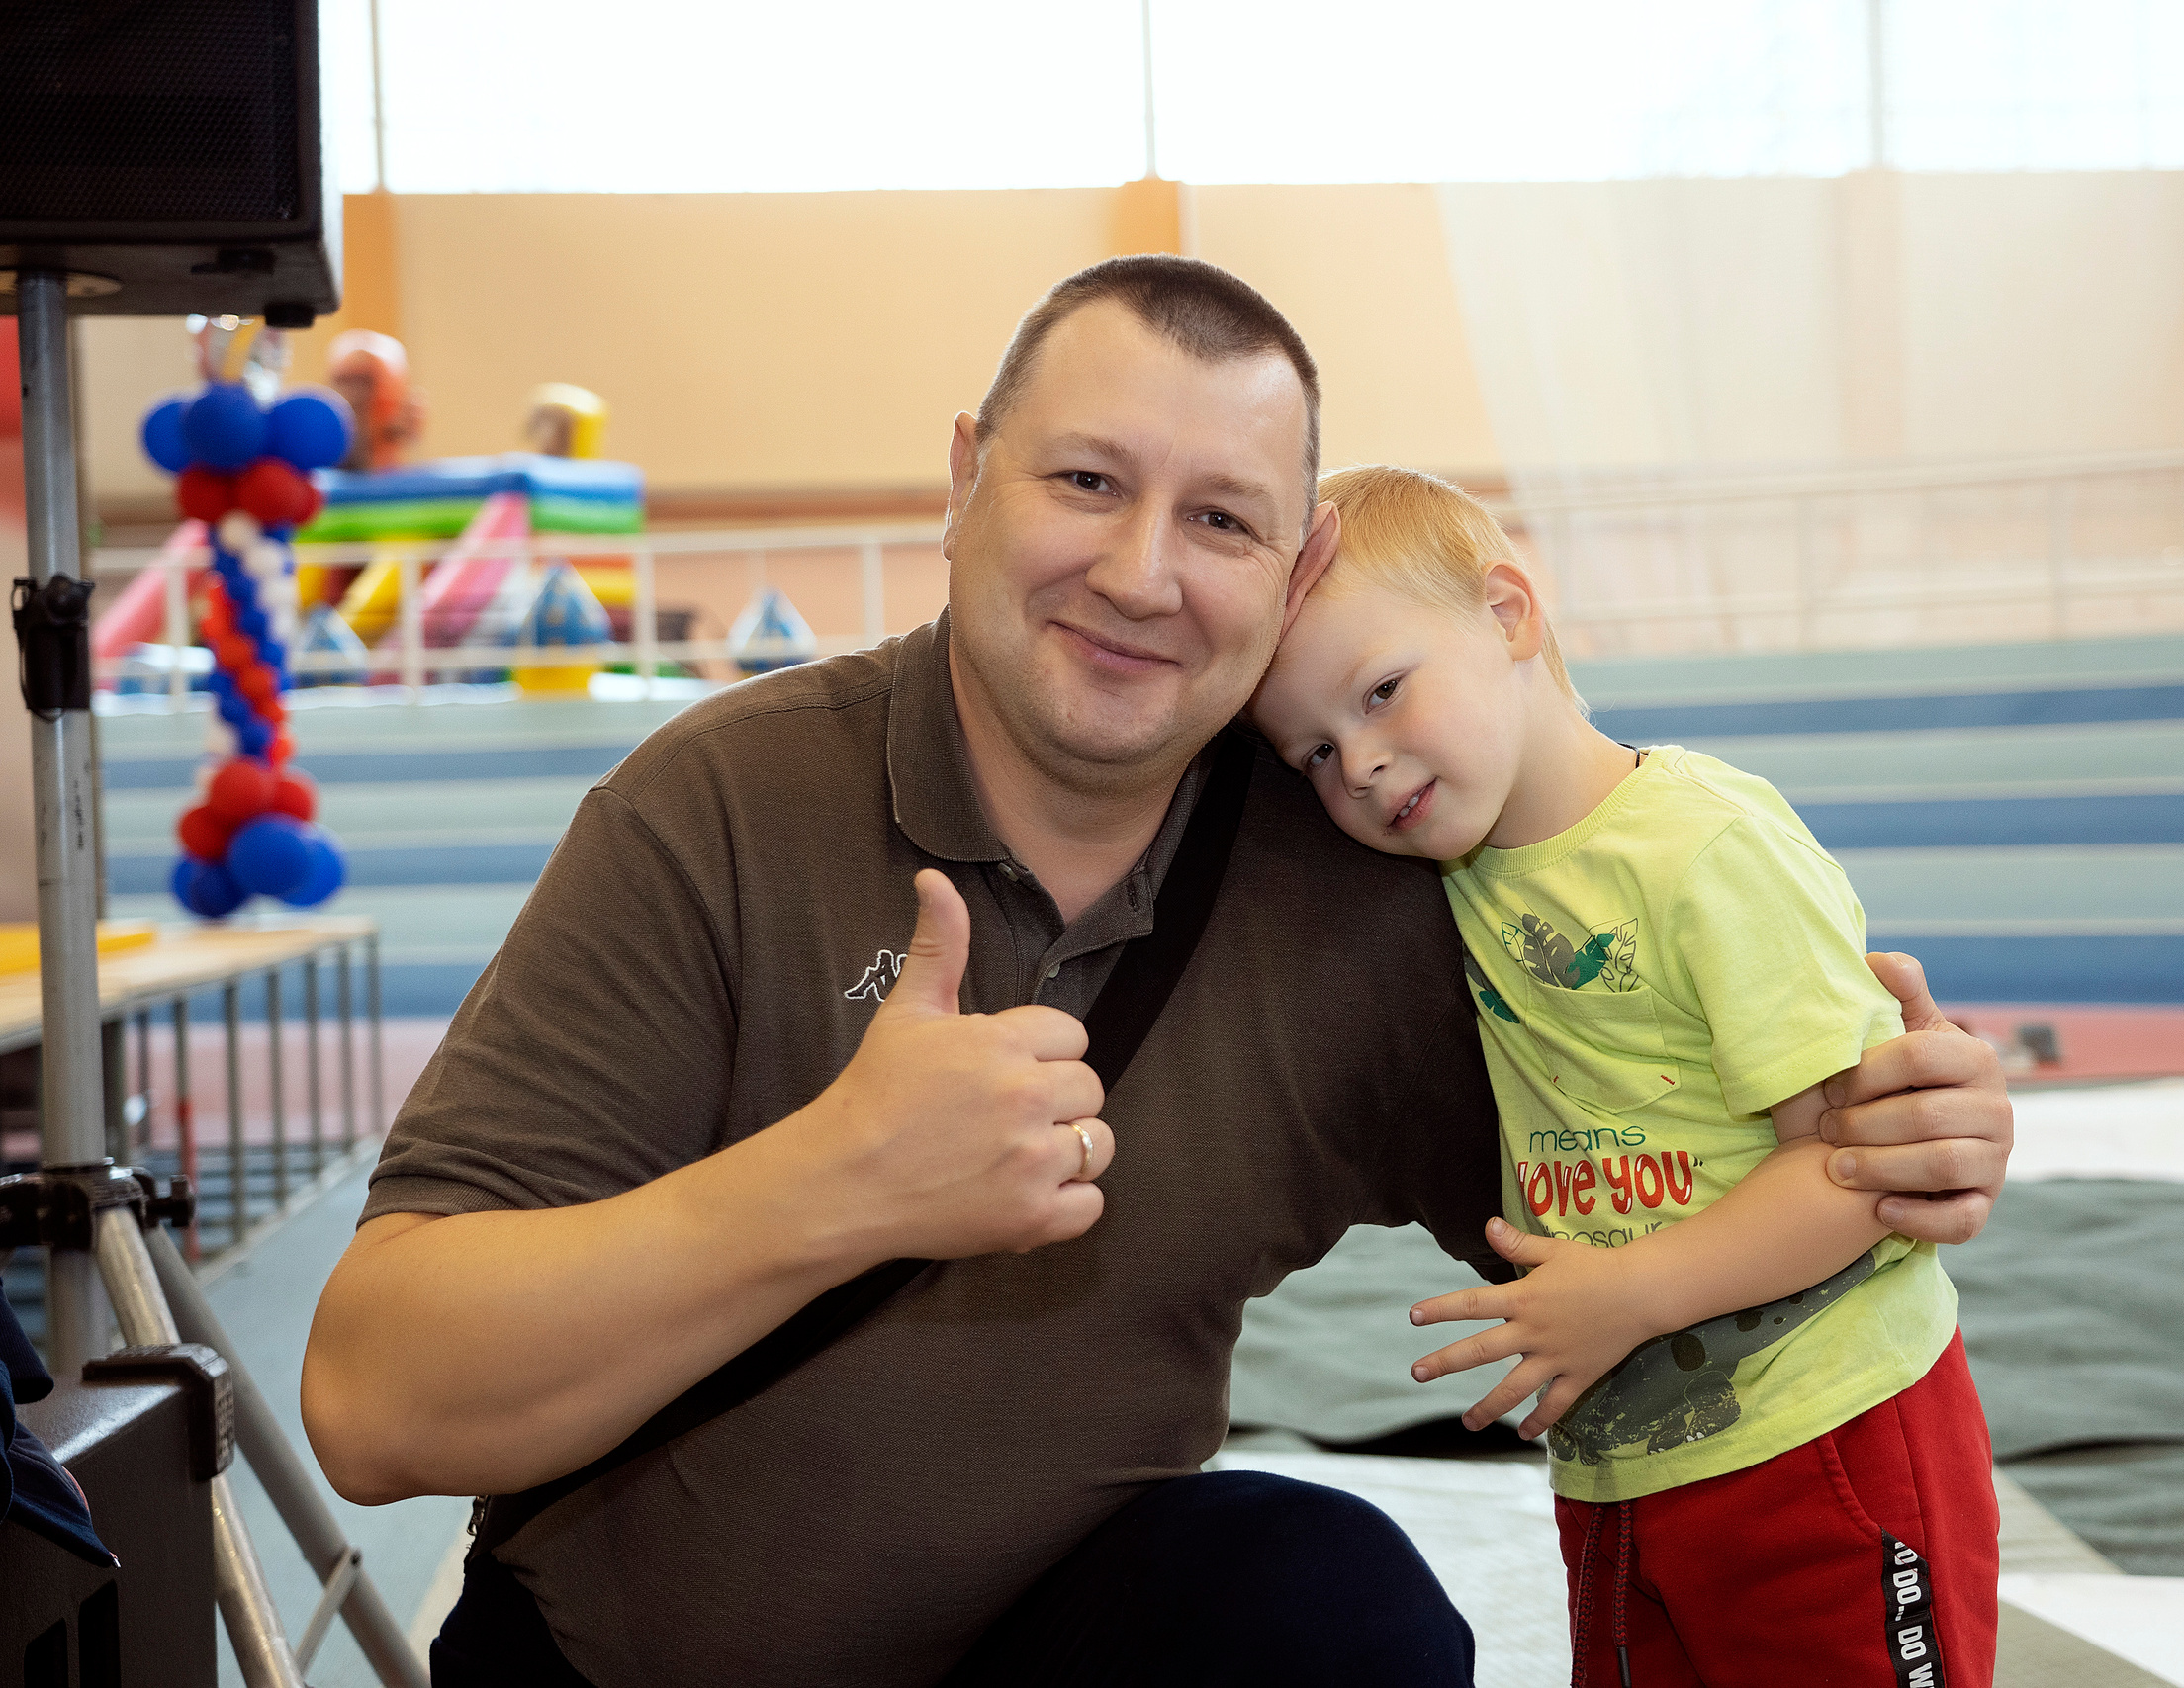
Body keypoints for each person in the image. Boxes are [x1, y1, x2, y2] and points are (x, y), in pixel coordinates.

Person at [301, 256, 2015, 1688]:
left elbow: (1667, 1152)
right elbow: (374, 1404)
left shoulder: (1351, 882)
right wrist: (836, 1182)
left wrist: (1896, 1129)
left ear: (1291, 574)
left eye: (1221, 518)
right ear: (966, 478)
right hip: (618, 1660)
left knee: (1324, 1601)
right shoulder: (722, 806)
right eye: (1087, 482)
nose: (1141, 573)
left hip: (1056, 1638)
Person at [1249, 465, 1998, 1688]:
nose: (1364, 766)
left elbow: (1861, 1167)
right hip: (1623, 1457)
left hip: (1824, 1426)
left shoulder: (1703, 845)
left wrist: (1629, 1293)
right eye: (1315, 754)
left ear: (1508, 613)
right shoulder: (1446, 885)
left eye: (1383, 692)